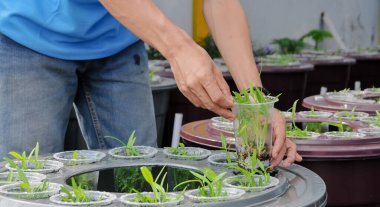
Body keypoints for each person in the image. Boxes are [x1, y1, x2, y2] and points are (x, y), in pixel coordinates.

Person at [0, 0, 301, 168]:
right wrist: (177, 47)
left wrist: (254, 101)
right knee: (27, 178)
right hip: (28, 31)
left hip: (119, 33)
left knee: (140, 176)